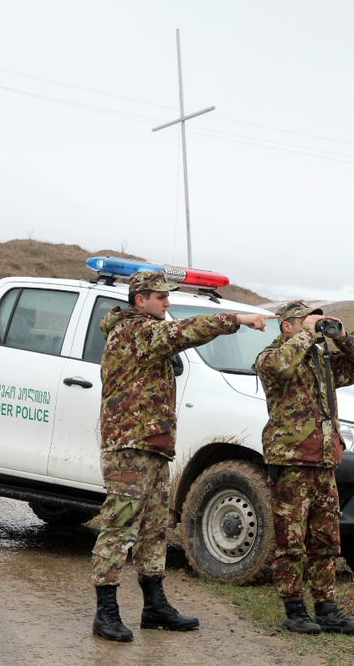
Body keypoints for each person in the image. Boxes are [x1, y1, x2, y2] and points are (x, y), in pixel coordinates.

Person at [91, 269, 271, 642]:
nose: (168, 303)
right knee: (119, 527)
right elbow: (183, 332)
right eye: (162, 297)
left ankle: (154, 605)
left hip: (152, 445)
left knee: (154, 528)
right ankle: (105, 611)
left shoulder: (144, 331)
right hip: (129, 448)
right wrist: (235, 319)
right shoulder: (133, 331)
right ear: (140, 300)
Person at [253, 299, 354, 635]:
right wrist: (306, 334)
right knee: (291, 541)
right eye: (303, 321)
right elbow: (283, 367)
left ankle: (327, 606)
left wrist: (341, 336)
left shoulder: (320, 361)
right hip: (290, 460)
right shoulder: (271, 358)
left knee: (326, 539)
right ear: (287, 326)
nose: (312, 325)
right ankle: (294, 608)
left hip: (323, 459)